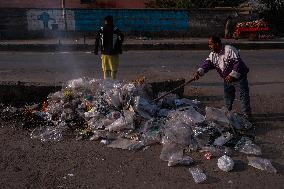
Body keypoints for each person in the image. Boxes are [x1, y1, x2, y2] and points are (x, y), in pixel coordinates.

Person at [193, 36, 251, 117]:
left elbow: (238, 63)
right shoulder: (212, 55)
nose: (209, 46)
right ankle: (227, 112)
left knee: (243, 95)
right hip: (227, 78)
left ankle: (247, 115)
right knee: (228, 96)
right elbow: (207, 64)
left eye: (211, 44)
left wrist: (232, 75)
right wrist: (199, 72)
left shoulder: (229, 49)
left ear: (217, 44)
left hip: (239, 77)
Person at [94, 15, 124, 80]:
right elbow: (121, 37)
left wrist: (96, 50)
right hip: (113, 53)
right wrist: (119, 47)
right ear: (112, 21)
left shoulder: (102, 29)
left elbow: (97, 39)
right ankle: (113, 83)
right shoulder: (115, 29)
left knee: (106, 69)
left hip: (104, 53)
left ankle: (106, 84)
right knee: (113, 69)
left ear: (105, 21)